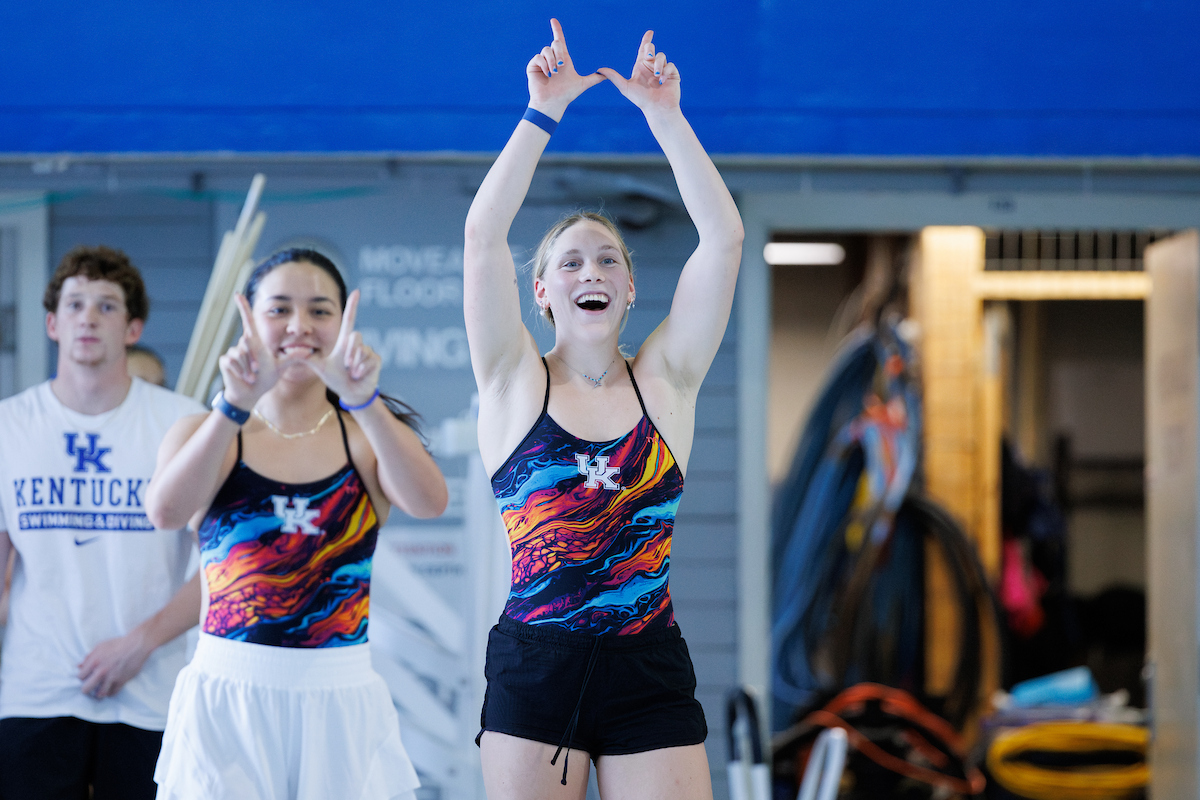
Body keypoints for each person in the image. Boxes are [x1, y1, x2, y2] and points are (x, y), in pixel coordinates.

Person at [464, 20, 744, 800]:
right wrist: (541, 113)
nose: (592, 270)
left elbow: (723, 240)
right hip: (536, 666)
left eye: (608, 259)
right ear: (541, 293)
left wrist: (666, 117)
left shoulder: (667, 383)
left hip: (647, 666)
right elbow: (483, 237)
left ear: (628, 290)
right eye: (571, 262)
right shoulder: (513, 383)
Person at [146, 248, 448, 800]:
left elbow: (429, 503)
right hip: (229, 692)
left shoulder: (365, 436)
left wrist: (365, 401)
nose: (299, 326)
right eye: (279, 309)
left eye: (319, 310)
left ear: (345, 323)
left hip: (340, 695)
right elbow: (165, 513)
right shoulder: (206, 430)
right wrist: (233, 405)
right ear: (249, 319)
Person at [0, 245, 206, 800]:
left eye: (107, 306)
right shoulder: (9, 427)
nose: (88, 317)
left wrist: (141, 642)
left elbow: (224, 566)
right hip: (35, 692)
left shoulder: (183, 424)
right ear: (52, 323)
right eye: (75, 304)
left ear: (133, 328)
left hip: (151, 691)